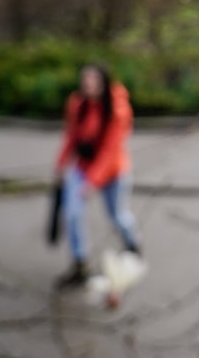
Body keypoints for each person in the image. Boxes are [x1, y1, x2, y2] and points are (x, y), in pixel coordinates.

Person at [53, 64, 141, 288]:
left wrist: (92, 180)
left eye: (93, 79)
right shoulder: (77, 104)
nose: (88, 84)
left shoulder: (117, 109)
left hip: (113, 171)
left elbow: (110, 150)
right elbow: (72, 135)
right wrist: (62, 163)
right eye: (85, 79)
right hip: (83, 167)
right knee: (72, 214)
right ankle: (80, 263)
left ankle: (132, 244)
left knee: (117, 215)